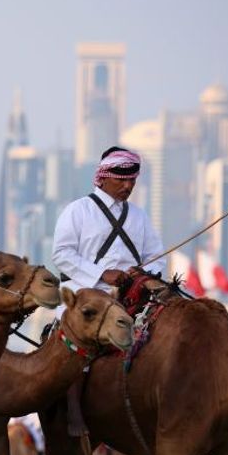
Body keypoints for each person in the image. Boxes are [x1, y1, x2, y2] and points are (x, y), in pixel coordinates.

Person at [51, 146, 166, 438]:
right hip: (86, 295)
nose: (128, 186)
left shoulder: (140, 216)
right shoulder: (77, 210)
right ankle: (74, 411)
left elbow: (157, 257)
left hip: (131, 297)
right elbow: (61, 255)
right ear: (102, 178)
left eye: (133, 181)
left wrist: (141, 275)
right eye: (121, 180)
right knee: (75, 344)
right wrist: (102, 274)